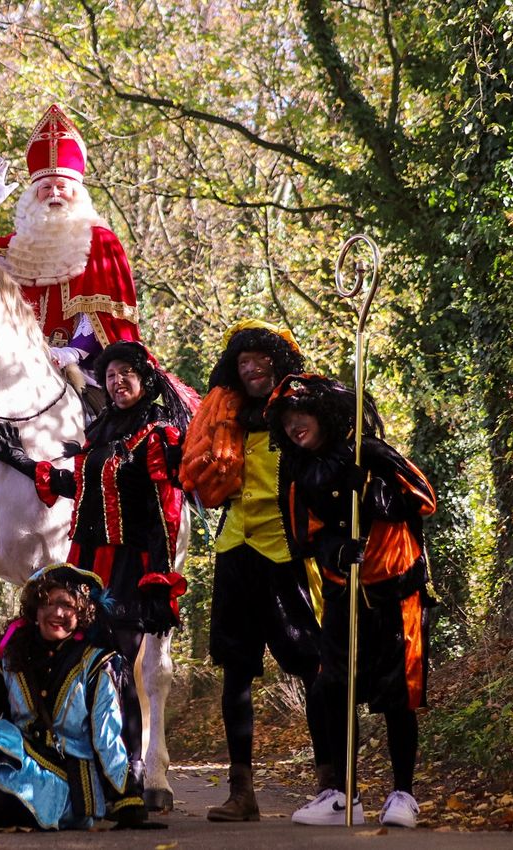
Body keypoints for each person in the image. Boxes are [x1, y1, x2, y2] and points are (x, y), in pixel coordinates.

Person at [0, 103, 141, 547]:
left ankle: (125, 504)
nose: (55, 193)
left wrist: (73, 351)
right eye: (46, 187)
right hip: (11, 368)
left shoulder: (99, 240)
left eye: (63, 186)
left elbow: (103, 313)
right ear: (32, 194)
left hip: (81, 367)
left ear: (77, 190)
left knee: (117, 422)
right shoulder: (13, 245)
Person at [0, 340, 192, 809]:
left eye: (127, 373)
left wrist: (160, 583)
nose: (118, 381)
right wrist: (22, 462)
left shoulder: (157, 433)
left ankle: (134, 775)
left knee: (119, 667)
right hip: (86, 567)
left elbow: (168, 511)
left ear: (145, 379)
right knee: (90, 664)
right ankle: (95, 772)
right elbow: (79, 487)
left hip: (129, 566)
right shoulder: (101, 429)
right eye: (112, 374)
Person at [265, 374, 436, 827]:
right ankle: (342, 795)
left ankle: (404, 794)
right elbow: (306, 538)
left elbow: (424, 499)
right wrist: (335, 549)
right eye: (286, 419)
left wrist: (381, 495)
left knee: (399, 695)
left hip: (396, 591)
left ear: (323, 414)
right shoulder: (300, 475)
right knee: (330, 691)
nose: (294, 425)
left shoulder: (372, 451)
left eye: (301, 415)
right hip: (345, 593)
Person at [177, 319, 330, 821]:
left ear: (277, 363)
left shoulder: (302, 413)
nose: (251, 368)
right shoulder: (227, 417)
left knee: (313, 667)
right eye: (243, 363)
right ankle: (242, 793)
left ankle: (331, 785)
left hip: (288, 554)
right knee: (236, 672)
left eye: (259, 360)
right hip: (234, 549)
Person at [0, 564, 159, 831]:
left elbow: (108, 737)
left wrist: (128, 799)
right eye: (47, 603)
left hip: (65, 777)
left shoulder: (98, 663)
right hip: (14, 754)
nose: (57, 613)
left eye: (66, 605)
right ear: (35, 611)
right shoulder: (12, 654)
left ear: (81, 612)